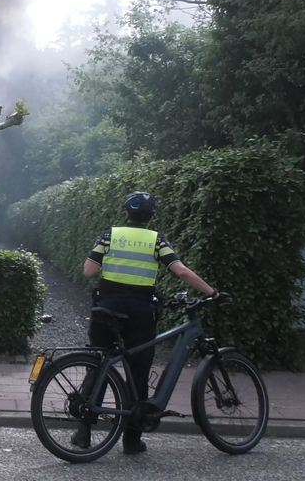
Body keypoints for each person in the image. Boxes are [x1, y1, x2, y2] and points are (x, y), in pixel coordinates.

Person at [73, 191, 218, 455]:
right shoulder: (156, 240)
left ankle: (83, 433)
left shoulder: (110, 234)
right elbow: (181, 271)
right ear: (151, 217)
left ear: (126, 213)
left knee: (98, 366)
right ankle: (131, 440)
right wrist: (212, 292)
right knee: (137, 373)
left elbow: (89, 271)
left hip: (106, 310)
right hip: (140, 314)